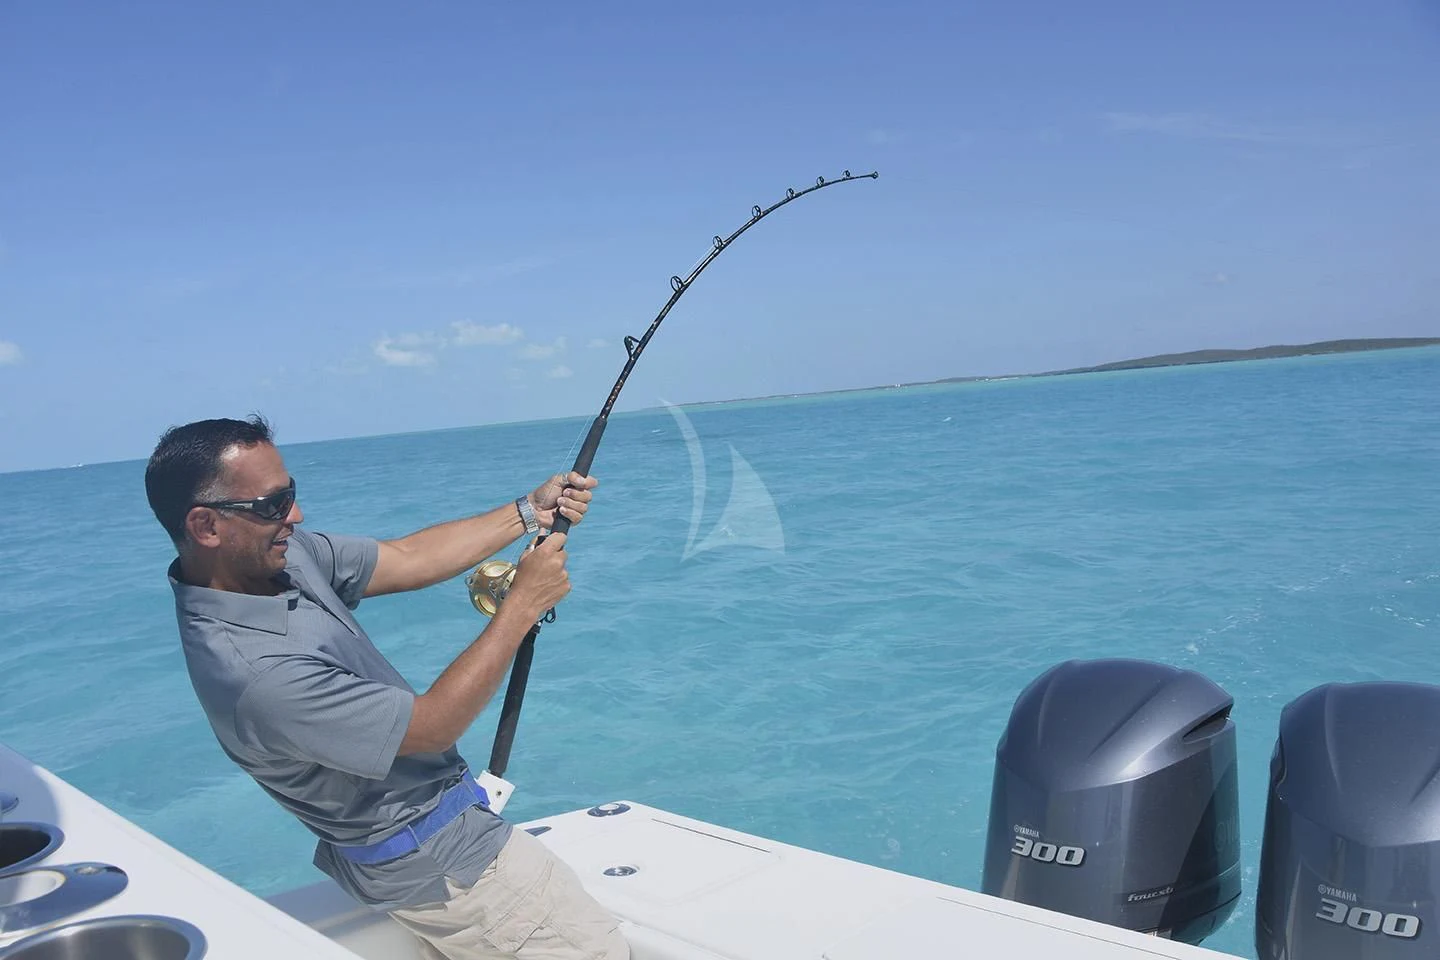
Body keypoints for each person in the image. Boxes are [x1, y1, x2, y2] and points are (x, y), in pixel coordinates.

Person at [144, 414, 629, 960]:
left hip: (424, 861)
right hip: (455, 876)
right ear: (206, 526)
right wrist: (520, 607)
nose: (295, 516)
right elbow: (431, 726)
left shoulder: (277, 560)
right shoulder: (255, 674)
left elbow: (405, 557)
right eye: (271, 505)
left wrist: (527, 512)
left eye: (291, 494)